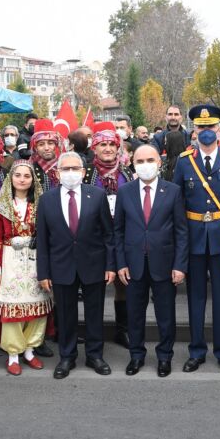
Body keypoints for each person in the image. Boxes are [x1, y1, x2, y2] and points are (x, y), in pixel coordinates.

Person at [173, 104, 220, 375]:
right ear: (194, 129)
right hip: (193, 238)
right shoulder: (183, 161)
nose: (206, 132)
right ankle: (196, 351)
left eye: (211, 127)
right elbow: (177, 206)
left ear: (219, 130)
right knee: (194, 299)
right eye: (201, 127)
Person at [36, 151, 116, 379]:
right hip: (61, 266)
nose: (70, 173)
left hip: (93, 264)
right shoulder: (47, 199)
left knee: (94, 312)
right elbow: (42, 239)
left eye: (74, 169)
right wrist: (43, 272)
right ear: (57, 173)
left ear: (83, 172)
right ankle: (67, 356)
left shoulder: (98, 195)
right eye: (65, 169)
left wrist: (110, 265)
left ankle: (95, 355)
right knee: (65, 314)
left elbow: (108, 235)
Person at [114, 145, 187, 377]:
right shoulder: (124, 191)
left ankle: (165, 357)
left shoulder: (173, 191)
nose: (145, 165)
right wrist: (121, 263)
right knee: (134, 314)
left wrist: (179, 265)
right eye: (140, 161)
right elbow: (118, 231)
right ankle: (136, 356)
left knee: (166, 315)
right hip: (133, 264)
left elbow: (181, 231)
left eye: (150, 160)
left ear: (159, 162)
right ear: (133, 164)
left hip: (164, 264)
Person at [0, 161, 51, 375]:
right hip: (9, 261)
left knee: (37, 308)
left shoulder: (42, 205)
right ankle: (13, 354)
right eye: (18, 175)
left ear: (33, 181)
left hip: (34, 260)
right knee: (13, 310)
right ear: (10, 179)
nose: (22, 179)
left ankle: (30, 350)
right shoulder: (0, 208)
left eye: (27, 176)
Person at [85, 122, 134, 347]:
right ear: (94, 148)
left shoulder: (127, 172)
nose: (107, 149)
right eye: (102, 144)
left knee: (123, 283)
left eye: (111, 145)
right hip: (93, 238)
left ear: (118, 147)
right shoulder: (86, 173)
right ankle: (90, 329)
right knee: (92, 284)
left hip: (121, 235)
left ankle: (122, 329)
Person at [29, 118, 62, 191]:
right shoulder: (29, 168)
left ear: (56, 145)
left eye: (50, 143)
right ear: (35, 148)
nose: (46, 148)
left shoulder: (64, 165)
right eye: (41, 144)